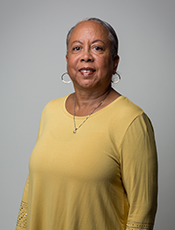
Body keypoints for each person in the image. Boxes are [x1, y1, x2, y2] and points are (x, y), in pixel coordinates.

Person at [16, 18, 158, 230]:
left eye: (97, 48)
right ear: (67, 59)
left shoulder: (132, 121)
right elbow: (32, 188)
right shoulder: (50, 111)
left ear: (114, 61)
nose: (86, 57)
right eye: (77, 48)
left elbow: (142, 211)